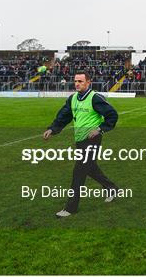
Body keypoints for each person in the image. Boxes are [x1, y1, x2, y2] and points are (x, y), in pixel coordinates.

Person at [43, 71, 120, 218]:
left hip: (92, 140)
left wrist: (100, 129)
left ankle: (70, 208)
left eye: (81, 81)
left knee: (78, 173)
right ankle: (112, 188)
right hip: (79, 140)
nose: (77, 84)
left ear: (88, 82)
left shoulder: (95, 98)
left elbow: (112, 115)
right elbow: (63, 116)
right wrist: (52, 129)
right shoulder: (73, 99)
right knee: (91, 169)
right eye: (76, 81)